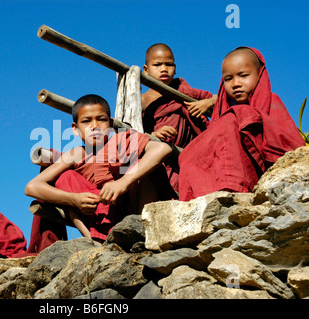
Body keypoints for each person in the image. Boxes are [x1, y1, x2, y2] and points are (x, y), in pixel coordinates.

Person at [25, 94, 175, 243]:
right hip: (97, 214)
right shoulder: (77, 154)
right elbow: (32, 187)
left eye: (101, 119)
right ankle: (93, 241)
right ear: (75, 129)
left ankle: (142, 228)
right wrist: (74, 200)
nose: (94, 126)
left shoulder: (121, 141)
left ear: (110, 124)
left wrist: (123, 182)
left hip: (133, 208)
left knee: (145, 164)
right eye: (86, 121)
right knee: (65, 177)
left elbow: (162, 148)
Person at [178, 47, 306, 201]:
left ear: (260, 75)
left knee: (236, 115)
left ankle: (231, 187)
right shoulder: (222, 113)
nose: (236, 83)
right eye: (228, 79)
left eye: (243, 75)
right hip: (217, 184)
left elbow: (290, 146)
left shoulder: (272, 102)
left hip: (254, 179)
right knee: (188, 151)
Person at [141, 43, 217, 192]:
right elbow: (135, 133)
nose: (164, 69)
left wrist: (207, 103)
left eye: (168, 64)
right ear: (146, 70)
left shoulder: (184, 91)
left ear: (175, 69)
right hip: (160, 159)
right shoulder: (143, 100)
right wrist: (153, 136)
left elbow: (221, 97)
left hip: (190, 155)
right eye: (157, 65)